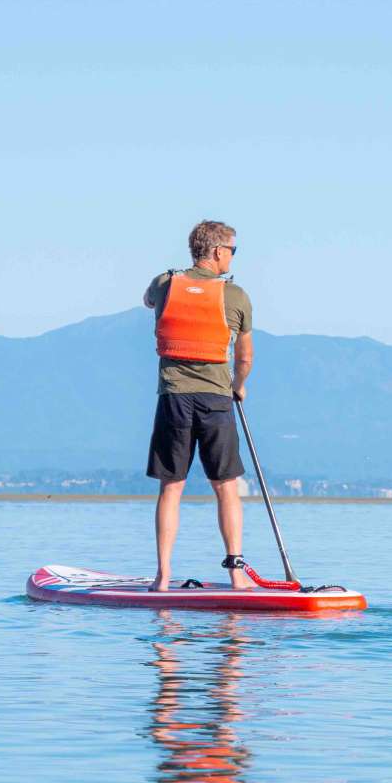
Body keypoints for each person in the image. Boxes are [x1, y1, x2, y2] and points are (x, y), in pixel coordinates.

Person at [143, 220, 255, 591]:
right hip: (216, 400)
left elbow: (148, 301)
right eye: (233, 251)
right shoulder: (235, 295)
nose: (233, 258)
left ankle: (162, 575)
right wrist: (238, 387)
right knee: (225, 486)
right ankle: (236, 573)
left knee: (171, 487)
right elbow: (244, 359)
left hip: (173, 398)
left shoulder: (164, 284)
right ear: (219, 252)